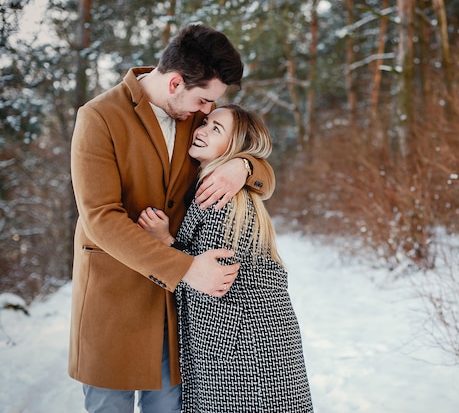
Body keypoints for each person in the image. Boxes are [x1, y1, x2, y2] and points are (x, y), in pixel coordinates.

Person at [69, 24, 275, 413]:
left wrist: (244, 167)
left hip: (172, 310)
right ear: (176, 82)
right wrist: (185, 269)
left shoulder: (192, 119)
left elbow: (249, 150)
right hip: (113, 299)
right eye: (203, 100)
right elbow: (100, 217)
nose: (207, 111)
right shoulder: (98, 116)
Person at [138, 104, 314, 413]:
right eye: (204, 122)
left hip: (243, 352)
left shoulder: (222, 198)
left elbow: (210, 282)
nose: (201, 130)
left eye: (215, 129)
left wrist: (164, 242)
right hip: (249, 344)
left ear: (234, 148)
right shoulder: (220, 189)